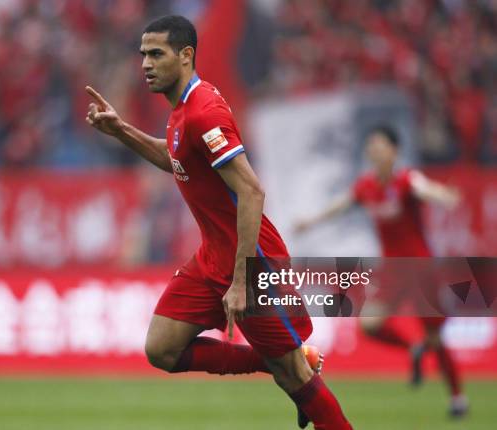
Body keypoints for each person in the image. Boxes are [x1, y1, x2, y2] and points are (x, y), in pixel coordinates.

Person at [86, 15, 352, 430]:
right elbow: (175, 159)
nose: (146, 64)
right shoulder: (183, 110)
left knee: (295, 377)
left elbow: (252, 191)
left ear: (186, 55)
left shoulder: (203, 112)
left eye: (157, 54)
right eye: (143, 55)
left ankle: (297, 372)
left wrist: (242, 280)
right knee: (162, 348)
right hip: (213, 258)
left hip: (253, 263)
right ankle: (280, 362)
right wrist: (121, 130)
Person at [294, 125, 468, 418]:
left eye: (380, 145)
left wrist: (444, 195)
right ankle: (413, 348)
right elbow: (341, 206)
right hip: (393, 270)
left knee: (436, 338)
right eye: (371, 145)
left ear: (394, 150)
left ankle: (457, 397)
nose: (374, 150)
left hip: (420, 268)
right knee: (370, 324)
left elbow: (426, 189)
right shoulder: (366, 186)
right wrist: (310, 222)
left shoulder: (405, 180)